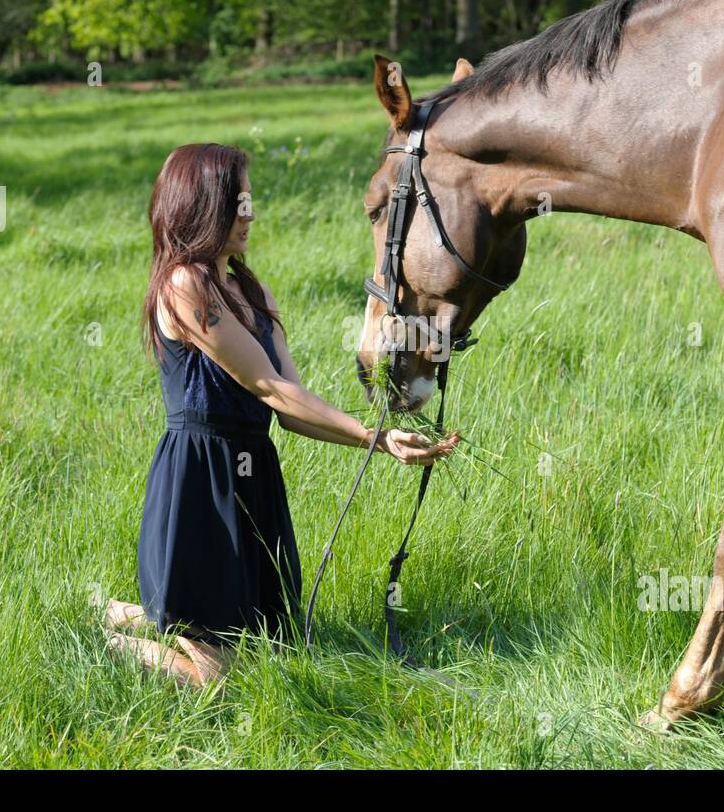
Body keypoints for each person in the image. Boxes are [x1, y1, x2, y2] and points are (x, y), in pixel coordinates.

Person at [104, 143, 459, 688]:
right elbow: (267, 386)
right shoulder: (184, 286)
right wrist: (374, 434)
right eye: (236, 202)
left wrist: (379, 442)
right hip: (201, 482)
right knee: (215, 679)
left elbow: (291, 407)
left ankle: (146, 613)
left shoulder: (252, 289)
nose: (249, 214)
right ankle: (111, 632)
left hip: (253, 479)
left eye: (248, 201)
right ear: (202, 205)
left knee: (271, 642)